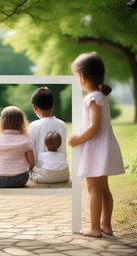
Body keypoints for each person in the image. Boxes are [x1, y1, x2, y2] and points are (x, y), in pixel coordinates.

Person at [69, 52, 125, 238]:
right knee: (103, 189)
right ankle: (106, 225)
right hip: (104, 147)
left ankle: (94, 228)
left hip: (96, 149)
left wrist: (77, 139)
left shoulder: (92, 97)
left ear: (82, 76)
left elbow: (94, 126)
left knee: (93, 189)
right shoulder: (101, 96)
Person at [0, 106, 34, 188]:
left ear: (1, 122)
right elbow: (31, 161)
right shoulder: (26, 141)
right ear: (22, 123)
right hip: (19, 179)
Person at [28, 86, 67, 163]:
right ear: (52, 106)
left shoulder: (34, 126)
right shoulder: (62, 124)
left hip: (41, 170)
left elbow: (31, 151)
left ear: (34, 107)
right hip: (61, 168)